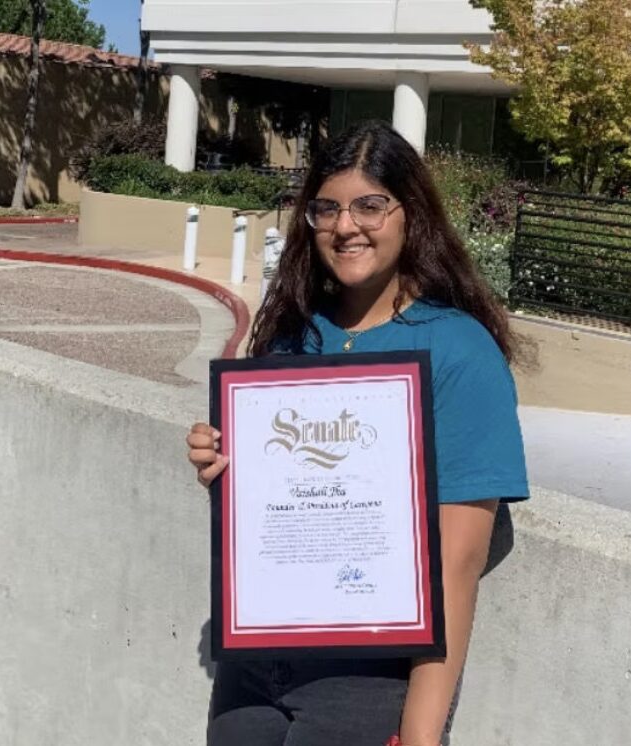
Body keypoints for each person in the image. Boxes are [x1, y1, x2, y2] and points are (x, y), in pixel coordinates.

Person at [187, 120, 529, 746]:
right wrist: (223, 465)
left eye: (370, 205)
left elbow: (457, 562)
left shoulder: (459, 351)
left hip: (372, 683)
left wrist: (420, 733)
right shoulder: (292, 335)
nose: (346, 226)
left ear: (410, 213)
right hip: (254, 672)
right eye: (327, 208)